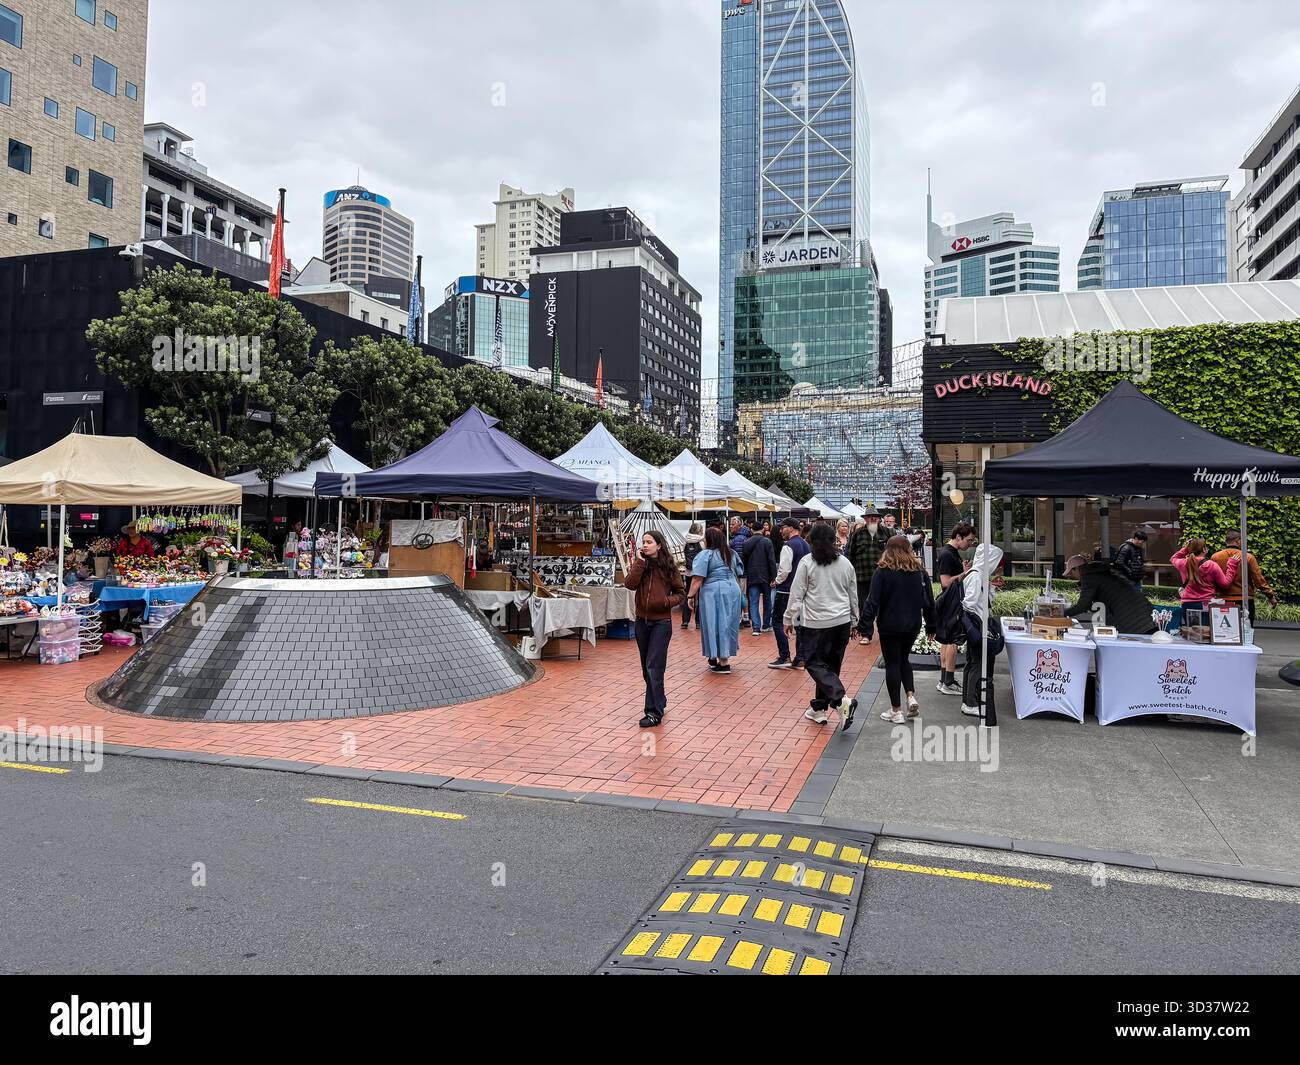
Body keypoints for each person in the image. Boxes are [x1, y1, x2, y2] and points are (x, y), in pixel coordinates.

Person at [786, 523, 860, 729]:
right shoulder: (845, 563)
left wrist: (788, 618)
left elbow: (797, 593)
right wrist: (855, 620)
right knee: (831, 667)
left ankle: (840, 699)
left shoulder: (807, 562)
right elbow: (853, 595)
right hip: (842, 621)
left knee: (814, 663)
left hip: (816, 623)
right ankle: (819, 708)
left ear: (811, 540)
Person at [860, 535, 936, 725]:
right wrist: (932, 625)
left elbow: (872, 601)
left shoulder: (883, 571)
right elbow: (929, 602)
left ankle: (896, 710)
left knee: (892, 663)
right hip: (912, 624)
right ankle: (910, 696)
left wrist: (864, 625)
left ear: (888, 549)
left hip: (889, 624)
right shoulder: (919, 571)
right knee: (904, 660)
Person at [624, 530, 686, 728]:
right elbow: (630, 584)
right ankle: (660, 700)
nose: (645, 545)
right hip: (642, 622)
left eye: (649, 542)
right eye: (643, 542)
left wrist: (666, 601)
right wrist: (639, 563)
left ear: (659, 545)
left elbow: (680, 593)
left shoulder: (668, 567)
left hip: (661, 623)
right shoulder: (641, 565)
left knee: (654, 667)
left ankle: (653, 712)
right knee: (646, 669)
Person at [688, 526, 743, 674]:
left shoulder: (705, 555)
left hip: (713, 591)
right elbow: (739, 571)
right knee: (728, 623)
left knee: (713, 623)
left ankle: (722, 660)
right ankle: (718, 656)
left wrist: (690, 595)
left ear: (709, 539)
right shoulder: (730, 553)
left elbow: (697, 578)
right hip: (733, 589)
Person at [960, 543, 1004, 719]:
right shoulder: (977, 576)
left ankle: (968, 700)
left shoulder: (976, 575)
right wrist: (976, 624)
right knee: (977, 665)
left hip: (974, 627)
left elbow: (980, 601)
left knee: (972, 663)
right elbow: (970, 604)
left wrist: (991, 587)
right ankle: (971, 703)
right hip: (977, 627)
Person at [1062, 554, 1157, 634]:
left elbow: (1082, 606)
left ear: (1076, 569)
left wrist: (1062, 613)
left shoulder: (1089, 576)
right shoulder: (1099, 572)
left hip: (1133, 620)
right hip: (1144, 614)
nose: (1072, 577)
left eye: (1071, 573)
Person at [934, 522, 975, 695]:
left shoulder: (950, 553)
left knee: (946, 640)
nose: (970, 544)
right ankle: (948, 681)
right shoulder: (947, 554)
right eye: (969, 540)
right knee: (951, 641)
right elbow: (945, 582)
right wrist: (964, 574)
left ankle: (945, 680)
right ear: (958, 537)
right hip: (951, 601)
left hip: (950, 601)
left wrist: (963, 571)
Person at [768, 518, 811, 669]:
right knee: (799, 624)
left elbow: (785, 569)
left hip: (786, 589)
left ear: (791, 528)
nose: (780, 530)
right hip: (802, 590)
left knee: (778, 621)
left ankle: (784, 655)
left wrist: (777, 581)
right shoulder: (806, 545)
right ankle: (800, 658)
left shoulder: (788, 546)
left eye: (783, 527)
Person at [1212, 531, 1277, 627]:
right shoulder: (1248, 557)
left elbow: (1211, 579)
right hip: (1244, 600)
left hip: (1223, 600)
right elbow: (1259, 580)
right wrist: (1270, 596)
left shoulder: (1215, 557)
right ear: (1238, 541)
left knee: (1225, 631)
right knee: (1246, 632)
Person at [846, 506, 889, 647]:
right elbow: (850, 555)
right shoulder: (857, 534)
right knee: (864, 606)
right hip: (862, 576)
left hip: (883, 577)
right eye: (870, 517)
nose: (873, 519)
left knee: (883, 606)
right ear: (865, 519)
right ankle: (866, 634)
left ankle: (885, 632)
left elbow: (893, 554)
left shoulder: (887, 533)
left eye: (876, 517)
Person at [1172, 538, 1239, 608]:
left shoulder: (1183, 563)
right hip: (1206, 604)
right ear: (1204, 549)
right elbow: (1225, 584)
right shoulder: (1211, 565)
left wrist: (1186, 549)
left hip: (1187, 604)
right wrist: (1232, 565)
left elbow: (1174, 558)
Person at [739, 519, 777, 635]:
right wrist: (773, 577)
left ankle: (756, 627)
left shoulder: (746, 543)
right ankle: (766, 624)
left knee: (754, 602)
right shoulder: (767, 542)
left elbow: (743, 561)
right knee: (767, 601)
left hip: (752, 576)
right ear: (762, 529)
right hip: (766, 576)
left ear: (751, 529)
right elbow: (771, 560)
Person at [679, 522, 705, 630]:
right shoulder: (701, 541)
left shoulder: (685, 540)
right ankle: (698, 621)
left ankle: (685, 621)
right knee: (699, 596)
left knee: (688, 594)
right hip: (699, 572)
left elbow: (682, 556)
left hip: (688, 572)